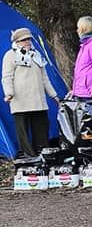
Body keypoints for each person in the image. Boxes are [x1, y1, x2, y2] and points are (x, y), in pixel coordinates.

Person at [2, 27, 61, 157]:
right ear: (17, 42)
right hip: (20, 100)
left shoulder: (36, 55)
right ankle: (29, 156)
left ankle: (43, 154)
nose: (27, 42)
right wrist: (9, 93)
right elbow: (7, 77)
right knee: (22, 130)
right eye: (24, 40)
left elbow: (45, 78)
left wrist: (54, 95)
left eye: (28, 39)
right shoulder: (10, 56)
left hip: (38, 100)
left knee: (41, 128)